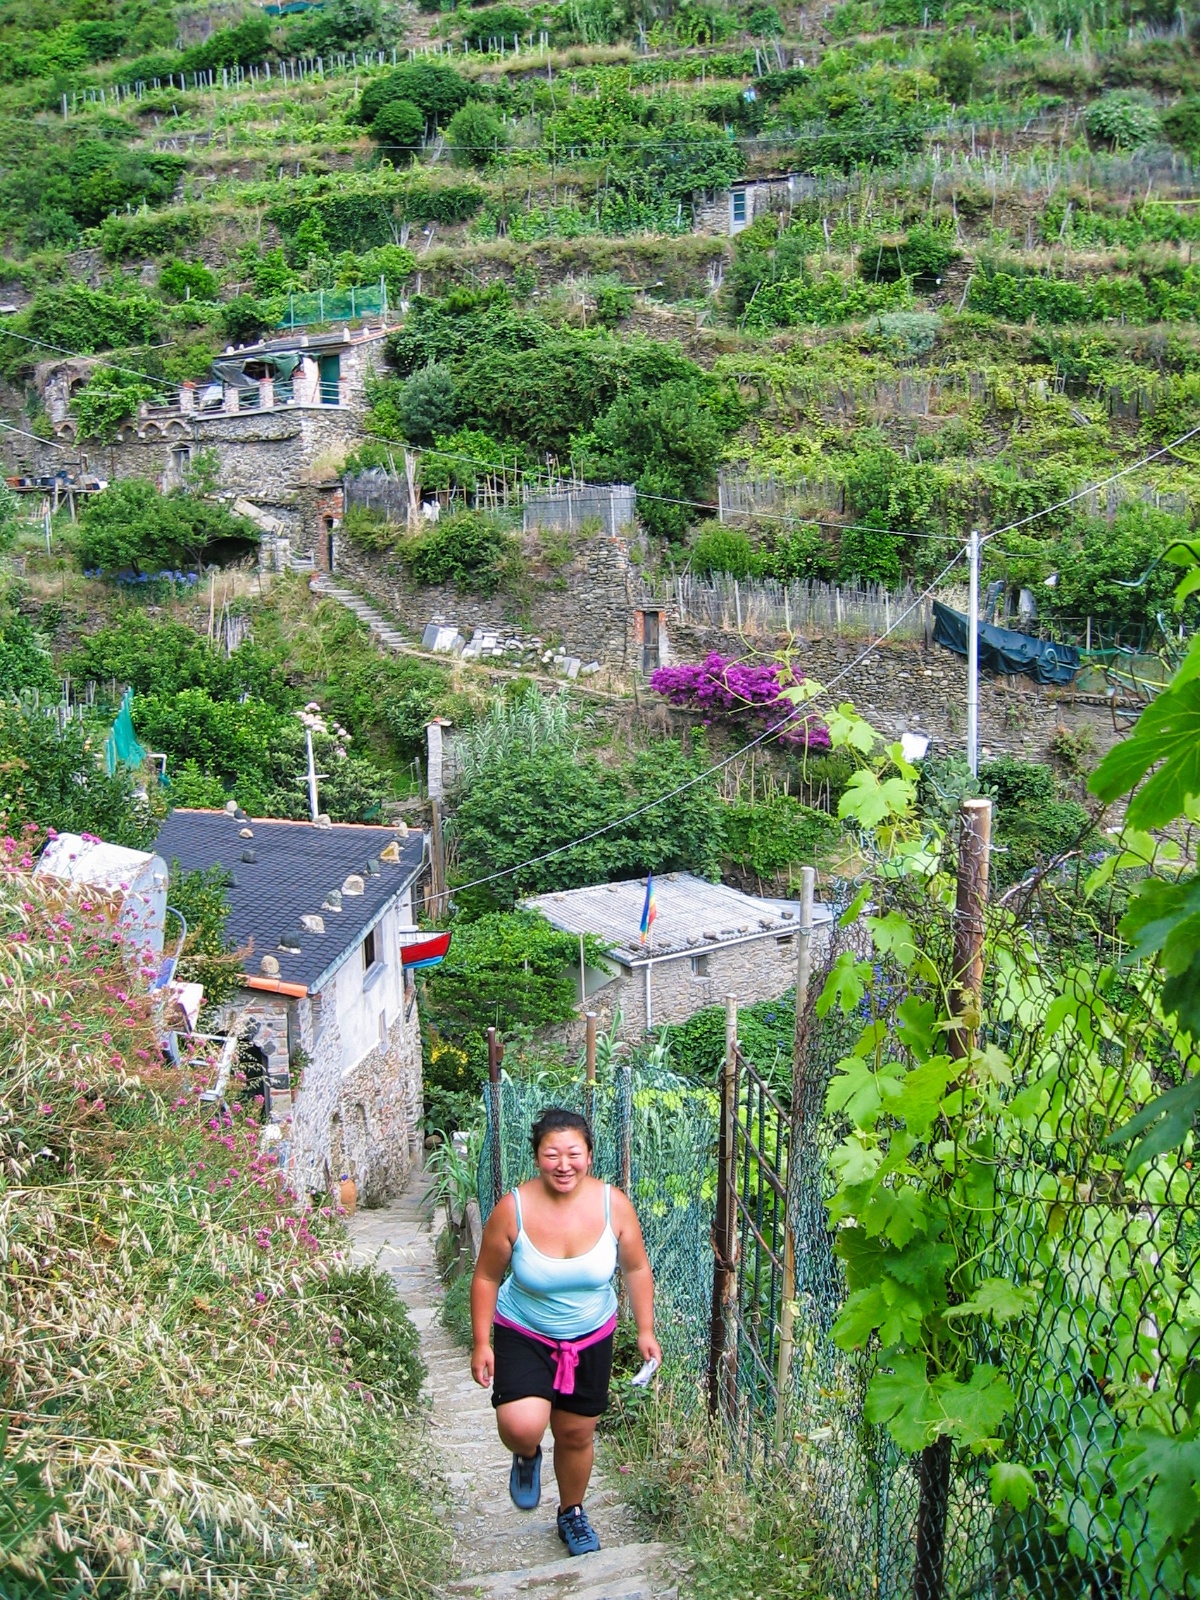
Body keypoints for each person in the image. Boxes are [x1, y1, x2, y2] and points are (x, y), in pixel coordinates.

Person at [470, 1107, 661, 1557]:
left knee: (577, 1433)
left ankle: (572, 1513)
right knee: (522, 1425)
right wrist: (482, 1342)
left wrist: (646, 1329)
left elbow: (636, 1267)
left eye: (573, 1153)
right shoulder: (511, 1209)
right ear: (536, 1157)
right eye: (551, 1154)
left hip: (591, 1334)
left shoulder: (614, 1205)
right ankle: (527, 1453)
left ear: (590, 1156)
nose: (563, 1164)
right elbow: (484, 1277)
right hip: (525, 1331)